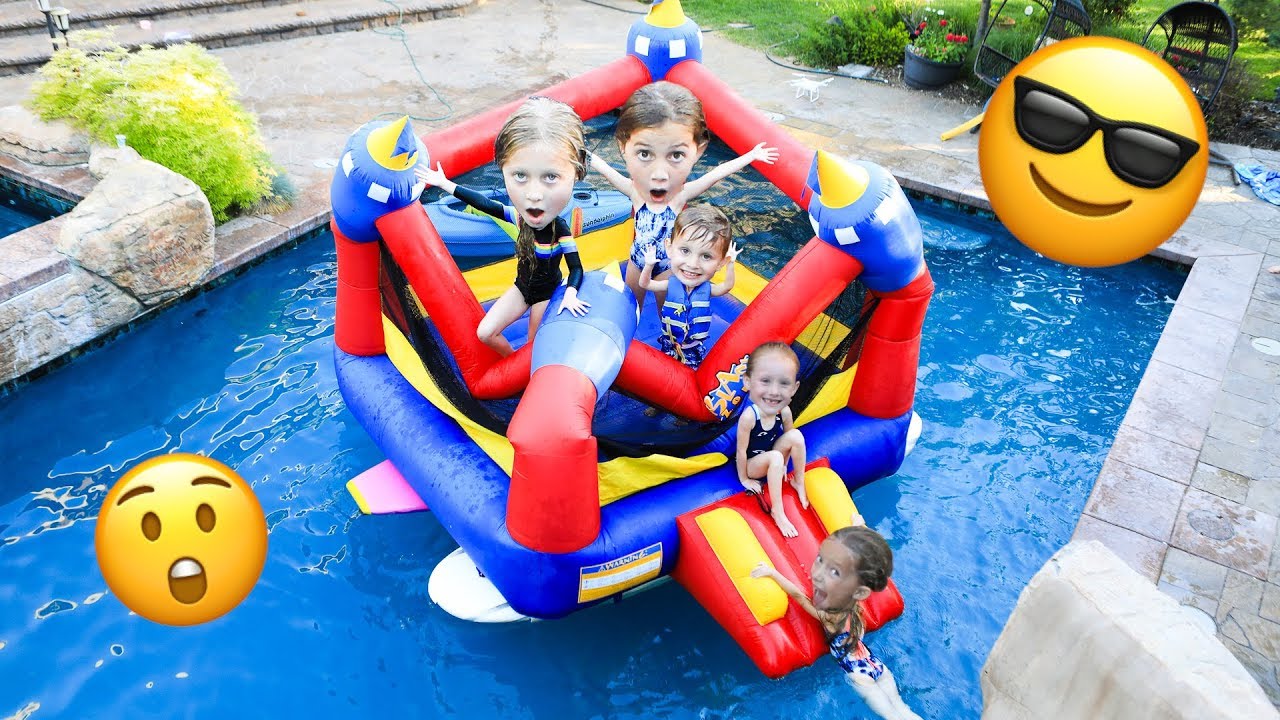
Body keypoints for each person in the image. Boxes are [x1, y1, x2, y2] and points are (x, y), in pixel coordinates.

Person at [415, 96, 590, 356]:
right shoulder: (519, 218)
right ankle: (511, 365)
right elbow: (487, 205)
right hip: (522, 287)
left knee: (535, 346)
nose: (534, 195)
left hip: (546, 294)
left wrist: (571, 293)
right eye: (520, 175)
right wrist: (445, 184)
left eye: (550, 177)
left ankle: (526, 372)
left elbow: (576, 267)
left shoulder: (559, 231)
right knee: (485, 332)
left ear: (575, 174)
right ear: (503, 168)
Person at [589, 81, 777, 312]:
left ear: (697, 152)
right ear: (624, 148)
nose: (659, 175)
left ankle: (668, 343)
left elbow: (716, 173)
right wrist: (586, 154)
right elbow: (608, 172)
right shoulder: (635, 193)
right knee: (630, 307)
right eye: (645, 153)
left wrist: (751, 156)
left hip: (669, 263)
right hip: (638, 260)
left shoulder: (679, 197)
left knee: (666, 310)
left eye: (676, 155)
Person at [751, 516, 923, 720]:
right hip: (877, 666)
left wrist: (771, 573)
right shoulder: (855, 608)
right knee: (904, 712)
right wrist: (859, 526)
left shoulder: (828, 617)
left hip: (859, 675)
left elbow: (797, 595)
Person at [638, 204, 740, 370]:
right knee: (668, 369)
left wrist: (731, 264)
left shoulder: (707, 290)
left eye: (706, 256)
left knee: (688, 373)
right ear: (669, 248)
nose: (693, 264)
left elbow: (726, 286)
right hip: (670, 342)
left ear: (721, 262)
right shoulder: (671, 285)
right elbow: (645, 284)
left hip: (692, 348)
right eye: (685, 250)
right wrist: (649, 265)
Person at [736, 341, 808, 538]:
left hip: (772, 456)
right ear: (748, 382)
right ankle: (778, 511)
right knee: (775, 457)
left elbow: (788, 439)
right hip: (753, 464)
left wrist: (784, 465)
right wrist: (744, 478)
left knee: (796, 436)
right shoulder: (750, 417)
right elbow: (741, 451)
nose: (774, 392)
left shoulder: (784, 411)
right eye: (765, 381)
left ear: (794, 388)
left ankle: (799, 482)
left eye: (783, 383)